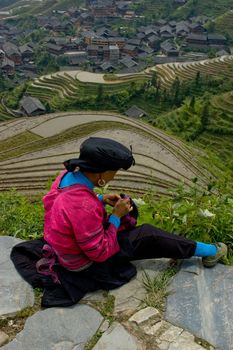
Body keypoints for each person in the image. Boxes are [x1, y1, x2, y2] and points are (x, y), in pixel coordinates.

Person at [11, 137, 227, 307]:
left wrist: (101, 199)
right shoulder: (82, 206)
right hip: (84, 263)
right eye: (113, 172)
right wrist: (116, 216)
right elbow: (100, 252)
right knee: (148, 235)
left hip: (64, 245)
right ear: (102, 174)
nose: (114, 176)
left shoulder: (65, 177)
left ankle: (190, 248)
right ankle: (210, 251)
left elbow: (62, 205)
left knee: (133, 223)